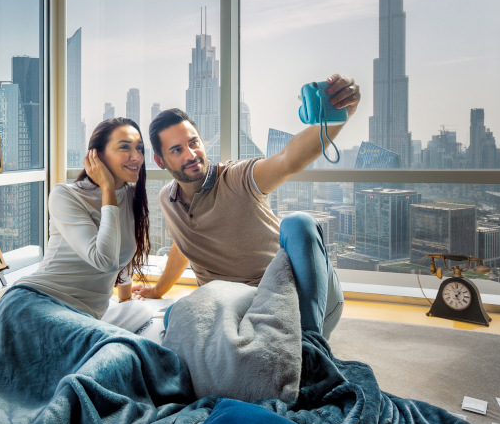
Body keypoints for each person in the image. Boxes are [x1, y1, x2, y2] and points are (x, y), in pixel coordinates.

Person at [135, 75, 360, 338]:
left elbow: (288, 160)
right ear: (160, 161)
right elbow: (183, 244)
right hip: (238, 311)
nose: (191, 154)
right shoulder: (168, 199)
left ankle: (311, 343)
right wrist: (158, 290)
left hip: (298, 302)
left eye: (193, 142)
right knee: (175, 316)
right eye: (176, 150)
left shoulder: (237, 178)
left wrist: (338, 117)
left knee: (300, 222)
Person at [16, 117, 150, 320]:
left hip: (87, 317)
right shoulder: (65, 196)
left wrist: (126, 301)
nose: (136, 157)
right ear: (97, 155)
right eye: (125, 147)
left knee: (144, 318)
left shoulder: (131, 197)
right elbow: (105, 260)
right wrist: (106, 187)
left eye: (139, 148)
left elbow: (123, 256)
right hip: (41, 301)